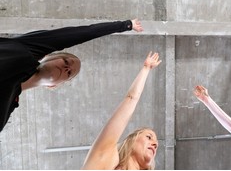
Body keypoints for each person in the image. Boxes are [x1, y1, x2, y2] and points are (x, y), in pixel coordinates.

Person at [0, 18, 143, 132]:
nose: (67, 67)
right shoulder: (26, 50)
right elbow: (74, 35)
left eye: (69, 73)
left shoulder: (8, 107)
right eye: (66, 61)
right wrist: (125, 25)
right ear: (48, 56)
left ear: (53, 85)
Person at [82, 52, 161, 170]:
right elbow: (131, 99)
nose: (155, 145)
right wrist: (146, 69)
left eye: (156, 144)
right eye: (149, 137)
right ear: (131, 140)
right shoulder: (107, 160)